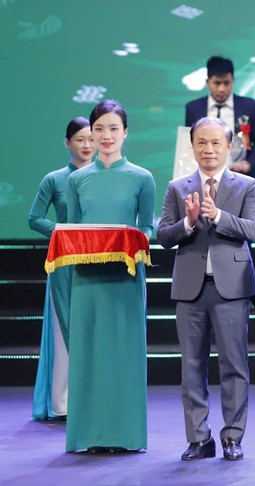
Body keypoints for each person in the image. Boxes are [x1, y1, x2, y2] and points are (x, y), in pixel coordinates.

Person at [157, 117, 255, 461]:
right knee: (191, 368)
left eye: (216, 143)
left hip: (231, 288)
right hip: (190, 289)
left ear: (229, 146)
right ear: (192, 146)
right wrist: (187, 223)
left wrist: (217, 215)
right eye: (202, 142)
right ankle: (199, 438)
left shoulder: (246, 186)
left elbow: (252, 229)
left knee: (234, 365)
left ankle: (233, 436)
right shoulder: (177, 187)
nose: (209, 149)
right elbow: (163, 237)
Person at [65, 100, 156, 453]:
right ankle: (87, 436)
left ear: (125, 134)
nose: (105, 136)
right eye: (99, 129)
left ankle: (124, 435)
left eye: (113, 129)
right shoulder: (77, 180)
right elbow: (71, 229)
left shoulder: (142, 178)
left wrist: (132, 240)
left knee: (123, 354)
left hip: (125, 278)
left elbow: (147, 228)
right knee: (88, 353)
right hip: (85, 280)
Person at [28, 117, 93, 421]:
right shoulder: (54, 179)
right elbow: (34, 218)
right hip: (65, 262)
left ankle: (94, 398)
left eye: (91, 139)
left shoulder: (103, 178)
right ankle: (63, 404)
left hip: (97, 261)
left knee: (94, 331)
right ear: (67, 143)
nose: (87, 145)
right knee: (63, 330)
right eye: (80, 139)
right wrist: (63, 231)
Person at [185, 56, 255, 181]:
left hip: (242, 178)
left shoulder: (249, 106)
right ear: (208, 82)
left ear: (233, 81)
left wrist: (249, 164)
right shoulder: (193, 109)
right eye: (217, 83)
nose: (221, 89)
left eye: (226, 83)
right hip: (204, 179)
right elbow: (189, 144)